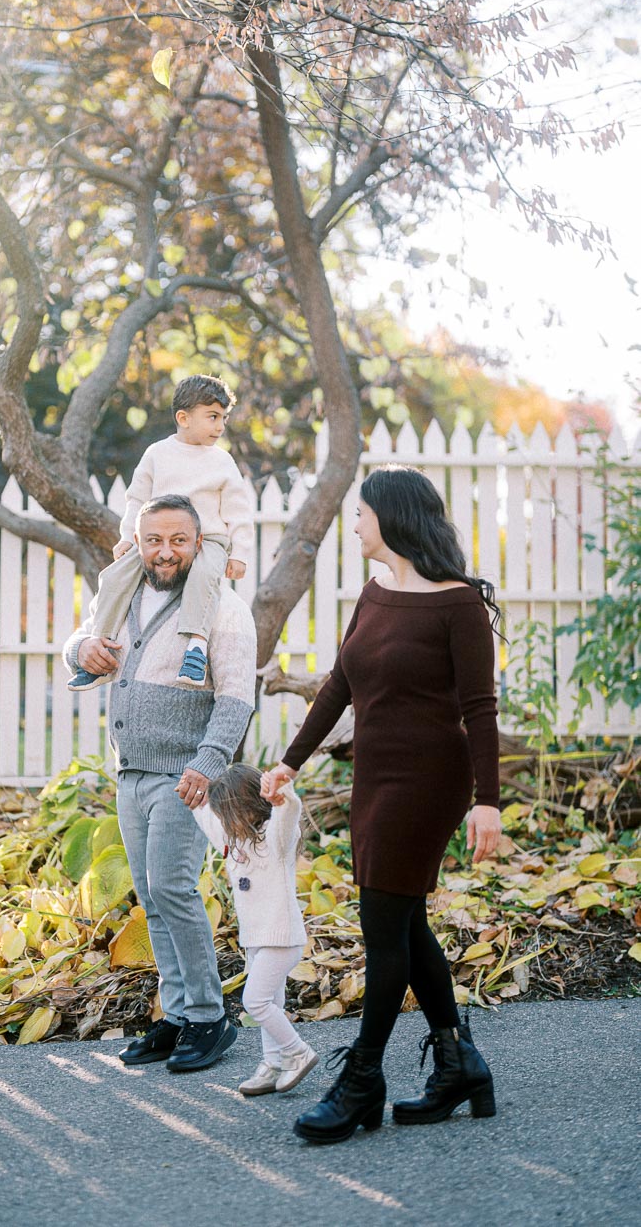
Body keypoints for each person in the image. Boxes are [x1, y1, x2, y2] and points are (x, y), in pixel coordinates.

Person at [261, 463, 502, 1145]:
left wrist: (489, 802)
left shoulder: (458, 604)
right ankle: (459, 1064)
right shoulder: (376, 592)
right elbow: (340, 684)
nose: (356, 524)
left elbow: (481, 710)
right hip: (377, 776)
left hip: (430, 782)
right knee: (402, 919)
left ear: (391, 518)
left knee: (382, 923)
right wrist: (287, 761)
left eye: (362, 514)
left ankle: (363, 1078)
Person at [62, 494, 257, 1072]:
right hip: (131, 771)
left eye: (178, 540)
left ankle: (209, 1018)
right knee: (151, 895)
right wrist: (82, 647)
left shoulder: (224, 607)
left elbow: (237, 697)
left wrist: (209, 762)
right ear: (139, 543)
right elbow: (76, 641)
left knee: (172, 886)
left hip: (186, 774)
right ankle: (177, 1017)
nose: (165, 551)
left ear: (200, 544)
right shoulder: (123, 594)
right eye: (154, 540)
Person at [67, 375, 254, 691]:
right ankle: (102, 646)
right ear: (183, 418)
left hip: (208, 539)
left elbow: (239, 512)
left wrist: (240, 554)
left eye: (223, 417)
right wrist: (128, 536)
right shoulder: (157, 454)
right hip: (157, 539)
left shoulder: (223, 461)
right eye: (213, 417)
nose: (221, 426)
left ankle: (195, 649)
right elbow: (137, 499)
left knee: (204, 579)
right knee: (113, 578)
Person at [192, 763, 318, 1096]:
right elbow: (207, 820)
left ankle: (298, 1052)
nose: (224, 823)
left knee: (255, 1002)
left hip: (281, 938)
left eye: (228, 814)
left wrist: (283, 796)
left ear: (246, 808)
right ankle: (271, 1064)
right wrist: (196, 801)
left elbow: (289, 813)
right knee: (270, 1001)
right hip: (257, 940)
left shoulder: (274, 839)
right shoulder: (235, 841)